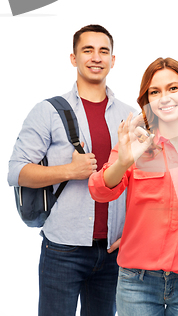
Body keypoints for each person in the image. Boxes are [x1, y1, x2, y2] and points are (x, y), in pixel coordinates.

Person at [88, 57, 178, 316]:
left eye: (173, 88)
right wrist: (122, 162)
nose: (164, 97)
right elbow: (98, 191)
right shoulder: (135, 146)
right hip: (137, 283)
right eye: (155, 92)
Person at [8, 24, 134, 315]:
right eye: (87, 50)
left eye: (104, 51)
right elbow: (16, 171)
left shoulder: (128, 115)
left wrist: (130, 231)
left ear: (113, 60)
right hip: (63, 249)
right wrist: (68, 170)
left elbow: (138, 180)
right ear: (73, 58)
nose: (96, 57)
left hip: (114, 251)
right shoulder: (48, 111)